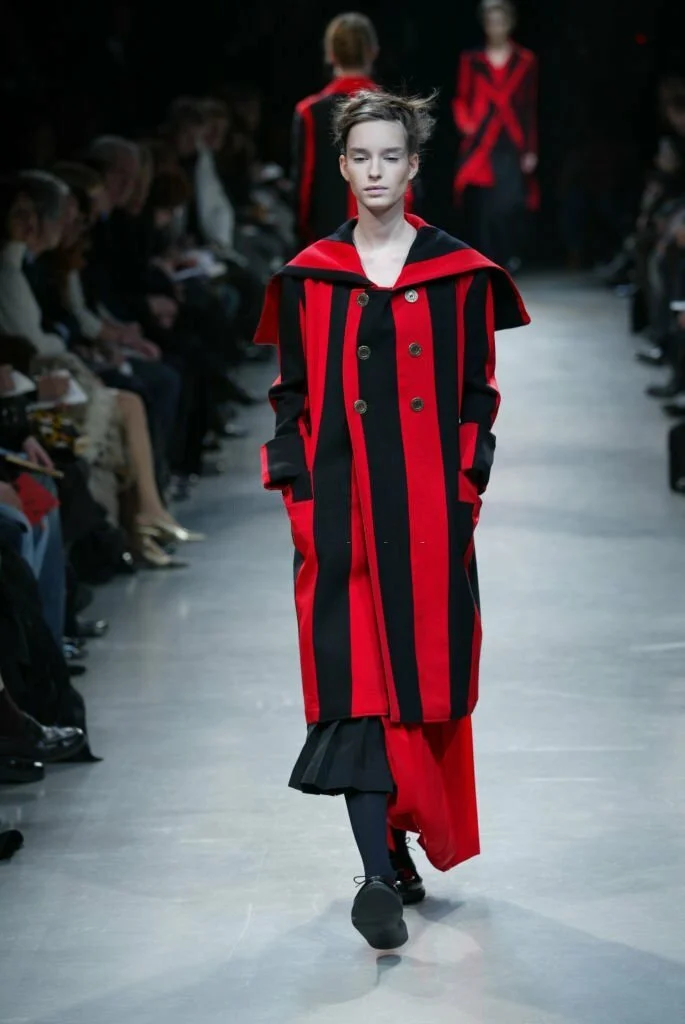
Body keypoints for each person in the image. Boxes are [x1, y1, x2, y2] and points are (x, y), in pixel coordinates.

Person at [255, 89, 530, 950]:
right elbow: (290, 394)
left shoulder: (458, 276)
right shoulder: (311, 278)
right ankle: (375, 875)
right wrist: (300, 497)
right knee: (352, 691)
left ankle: (396, 853)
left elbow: (477, 397)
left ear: (413, 167)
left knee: (418, 692)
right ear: (342, 167)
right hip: (336, 523)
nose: (375, 172)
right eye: (360, 157)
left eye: (390, 157)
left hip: (426, 521)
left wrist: (463, 491)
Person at [291, 12, 412, 248]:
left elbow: (304, 189)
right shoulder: (395, 109)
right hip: (385, 240)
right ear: (373, 51)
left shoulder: (310, 112)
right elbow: (407, 186)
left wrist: (304, 237)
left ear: (331, 55)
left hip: (327, 243)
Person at [453, 0, 538, 270]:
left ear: (510, 23)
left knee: (510, 205)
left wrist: (531, 149)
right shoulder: (472, 60)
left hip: (511, 139)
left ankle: (509, 255)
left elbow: (529, 106)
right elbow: (461, 97)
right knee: (485, 207)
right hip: (482, 140)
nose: (496, 27)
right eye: (491, 21)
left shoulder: (524, 61)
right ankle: (491, 263)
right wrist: (466, 123)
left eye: (500, 21)